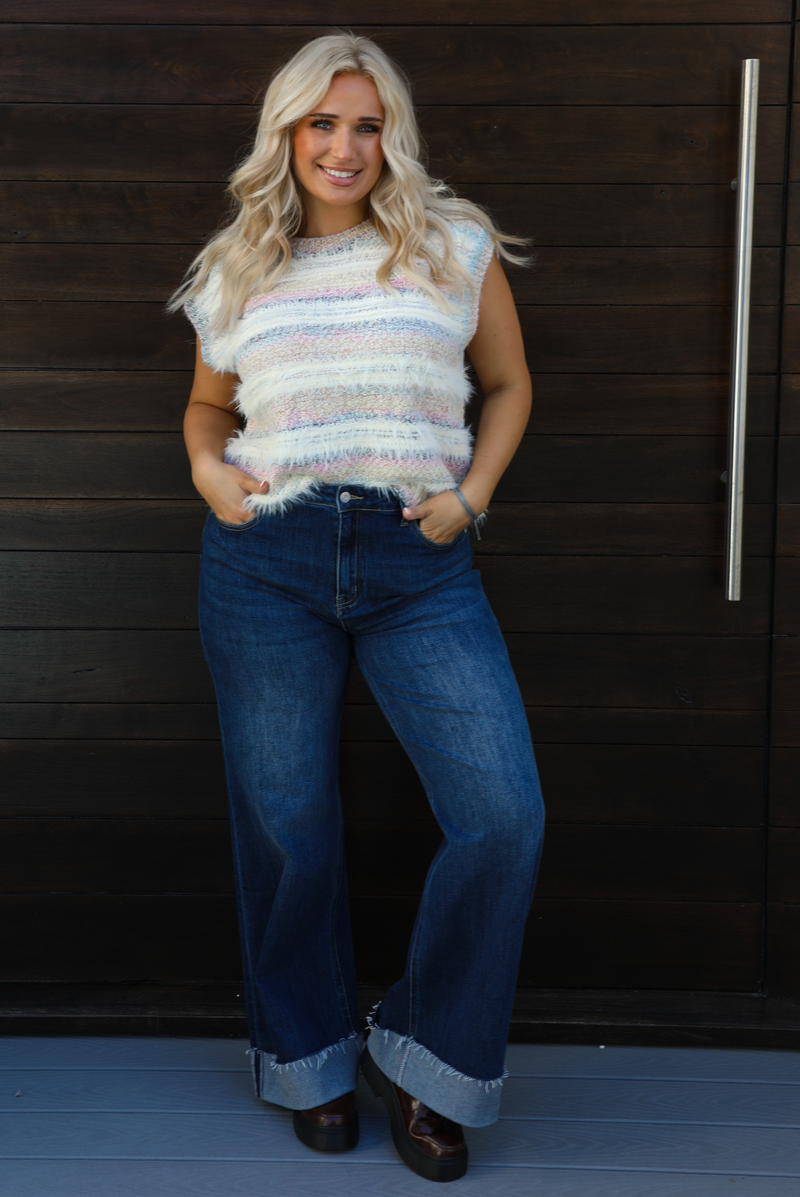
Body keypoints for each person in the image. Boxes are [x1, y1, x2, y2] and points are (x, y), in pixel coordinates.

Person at [170, 32, 544, 1184]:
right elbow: (203, 407)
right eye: (322, 123)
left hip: (416, 563)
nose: (344, 146)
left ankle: (428, 1065)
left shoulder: (451, 244)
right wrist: (206, 472)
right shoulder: (236, 266)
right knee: (288, 825)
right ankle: (311, 1061)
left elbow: (508, 384)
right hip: (264, 560)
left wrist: (468, 498)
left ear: (394, 136)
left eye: (366, 124)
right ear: (286, 132)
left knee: (501, 814)